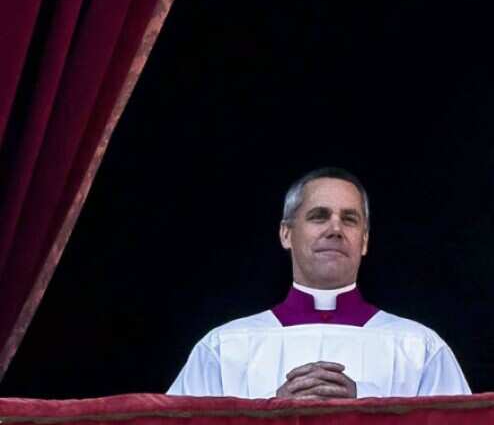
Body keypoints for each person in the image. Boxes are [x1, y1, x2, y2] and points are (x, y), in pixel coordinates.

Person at [168, 167, 470, 397]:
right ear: (286, 234)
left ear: (364, 241)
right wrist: (267, 417)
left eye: (350, 219)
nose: (335, 229)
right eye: (319, 216)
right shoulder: (224, 348)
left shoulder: (420, 349)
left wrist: (370, 412)